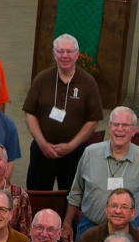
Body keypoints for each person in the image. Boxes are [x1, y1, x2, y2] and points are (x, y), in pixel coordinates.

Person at [61, 105, 139, 242]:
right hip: (89, 227)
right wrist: (67, 224)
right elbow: (76, 192)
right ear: (109, 126)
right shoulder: (90, 153)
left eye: (125, 125)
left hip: (128, 232)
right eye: (116, 124)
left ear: (134, 130)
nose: (119, 129)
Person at [22, 33, 103, 191]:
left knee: (71, 198)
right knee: (37, 194)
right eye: (60, 51)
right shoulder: (42, 79)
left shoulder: (88, 83)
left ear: (77, 54)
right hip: (42, 151)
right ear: (54, 53)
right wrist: (42, 143)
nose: (65, 56)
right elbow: (29, 113)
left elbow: (93, 120)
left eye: (69, 51)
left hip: (74, 153)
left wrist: (71, 146)